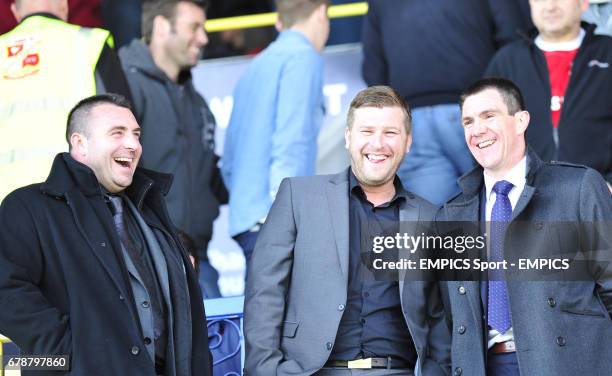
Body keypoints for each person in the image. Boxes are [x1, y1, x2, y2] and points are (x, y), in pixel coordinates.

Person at [243, 86, 450, 376]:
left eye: (390, 133)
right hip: (311, 371)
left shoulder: (432, 218)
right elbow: (265, 292)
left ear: (408, 142)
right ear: (348, 137)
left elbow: (440, 315)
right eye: (367, 132)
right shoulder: (298, 196)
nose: (377, 144)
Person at [0, 94, 212, 376]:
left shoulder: (149, 208)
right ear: (80, 144)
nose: (133, 145)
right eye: (117, 133)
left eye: (136, 135)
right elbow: (6, 292)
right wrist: (72, 354)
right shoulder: (28, 206)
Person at [438, 77, 612, 376]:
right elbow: (449, 317)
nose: (477, 130)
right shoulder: (452, 215)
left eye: (488, 116)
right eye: (468, 121)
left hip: (568, 364)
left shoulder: (578, 187)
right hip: (486, 366)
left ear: (520, 121)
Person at [361, 0, 528, 205]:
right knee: (505, 207)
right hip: (479, 112)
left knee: (436, 227)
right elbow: (515, 37)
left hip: (414, 121)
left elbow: (373, 69)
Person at [119, 0, 227, 298]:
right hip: (144, 259)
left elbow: (211, 178)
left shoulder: (198, 103)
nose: (204, 38)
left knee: (220, 341)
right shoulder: (122, 84)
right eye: (195, 27)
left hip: (199, 259)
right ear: (162, 27)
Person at [221, 0, 329, 269]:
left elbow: (230, 161)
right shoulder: (302, 57)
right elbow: (294, 140)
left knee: (261, 310)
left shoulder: (256, 66)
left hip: (248, 218)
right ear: (321, 13)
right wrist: (286, 217)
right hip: (275, 220)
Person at [0, 0, 130, 202]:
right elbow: (122, 125)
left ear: (15, 11)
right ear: (64, 5)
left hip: (5, 204)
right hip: (75, 198)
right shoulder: (91, 42)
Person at [485, 0, 612, 189]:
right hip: (528, 200)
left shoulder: (608, 52)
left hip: (600, 197)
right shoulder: (507, 61)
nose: (550, 6)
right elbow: (484, 132)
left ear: (583, 3)